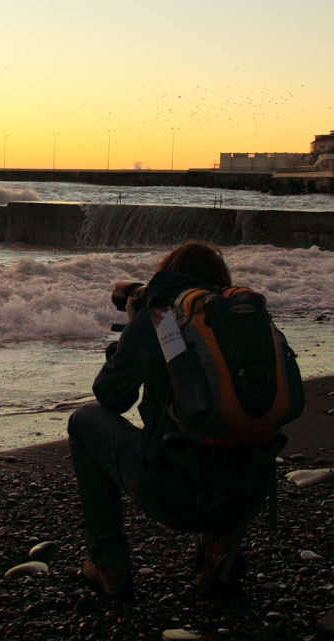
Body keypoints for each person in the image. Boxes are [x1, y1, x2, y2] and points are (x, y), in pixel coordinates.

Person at [68, 241, 291, 599]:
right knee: (231, 425)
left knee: (83, 420)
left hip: (175, 494)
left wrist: (134, 328)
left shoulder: (160, 318)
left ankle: (108, 563)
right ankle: (219, 549)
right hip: (249, 494)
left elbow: (110, 396)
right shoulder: (248, 320)